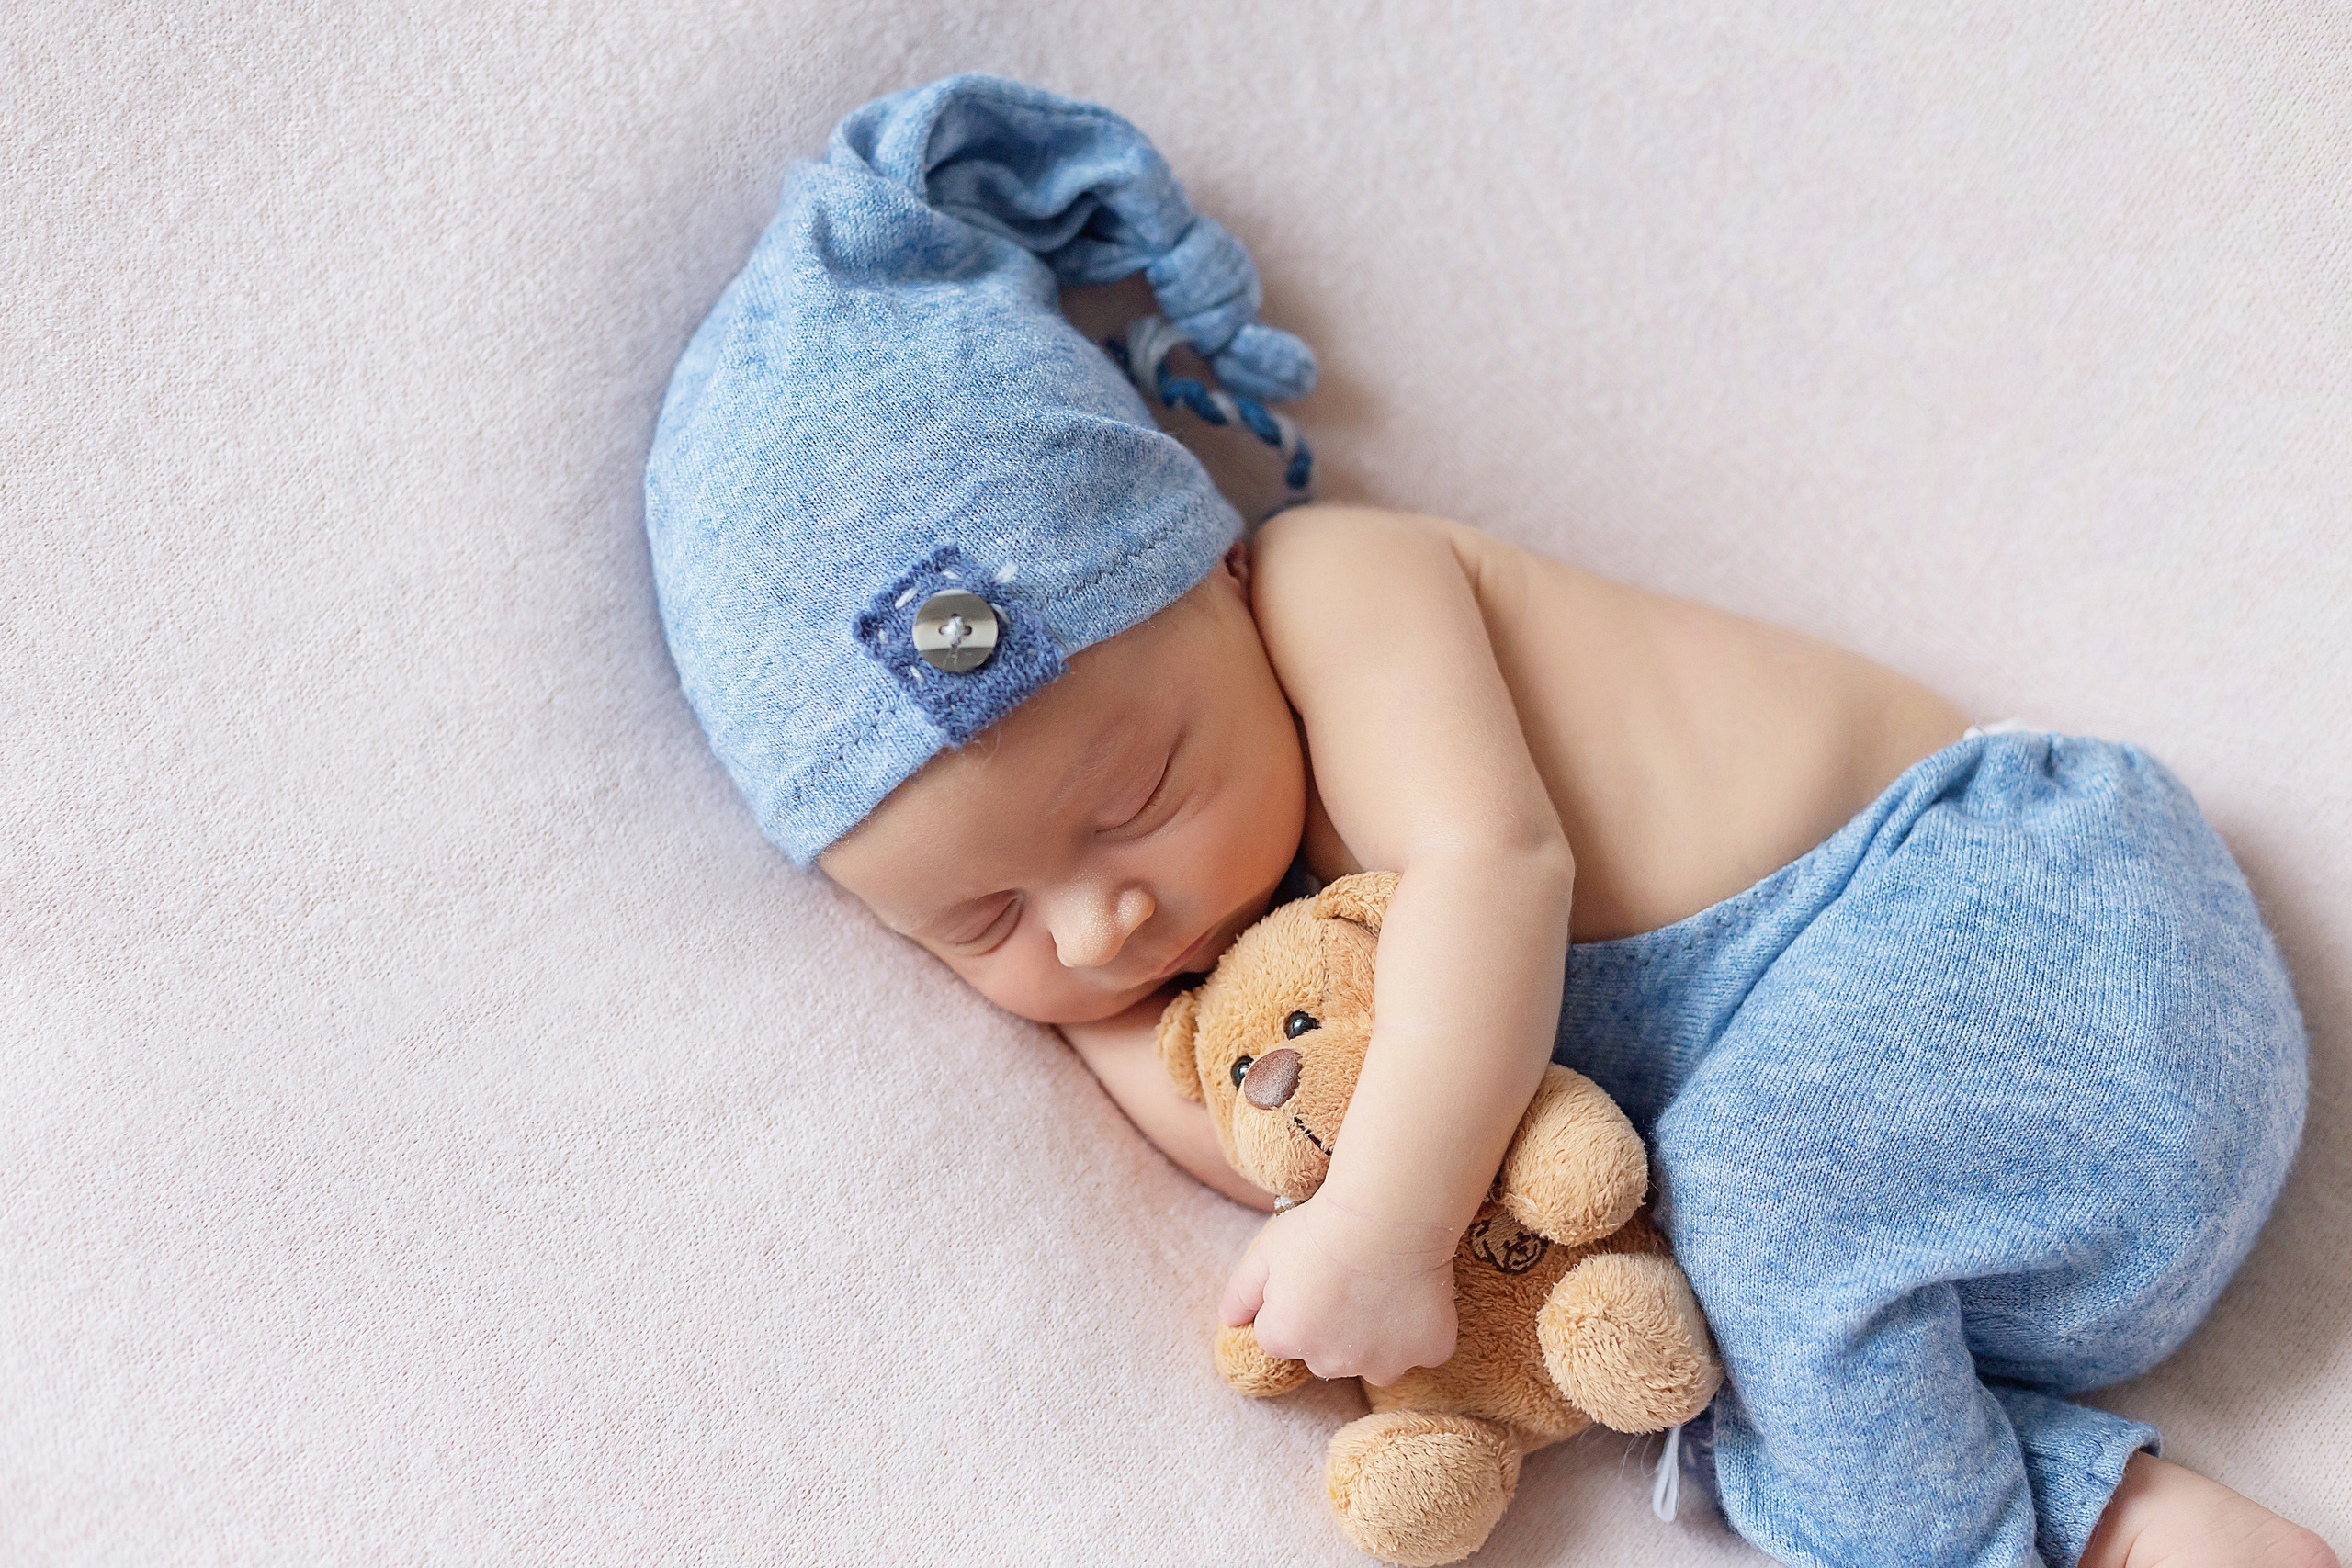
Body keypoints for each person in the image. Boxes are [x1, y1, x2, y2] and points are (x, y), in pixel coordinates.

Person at [645, 73, 2336, 1568]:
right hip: (1948, 1226)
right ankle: (2115, 1520)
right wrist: (1121, 1038)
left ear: (1212, 570)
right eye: (982, 923)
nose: (1109, 921)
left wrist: (1385, 1231)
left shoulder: (1335, 586)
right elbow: (1262, 1130)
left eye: (1135, 798)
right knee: (1691, 1355)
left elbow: (1492, 875)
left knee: (1749, 1209)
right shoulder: (1205, 937)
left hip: (2014, 928)